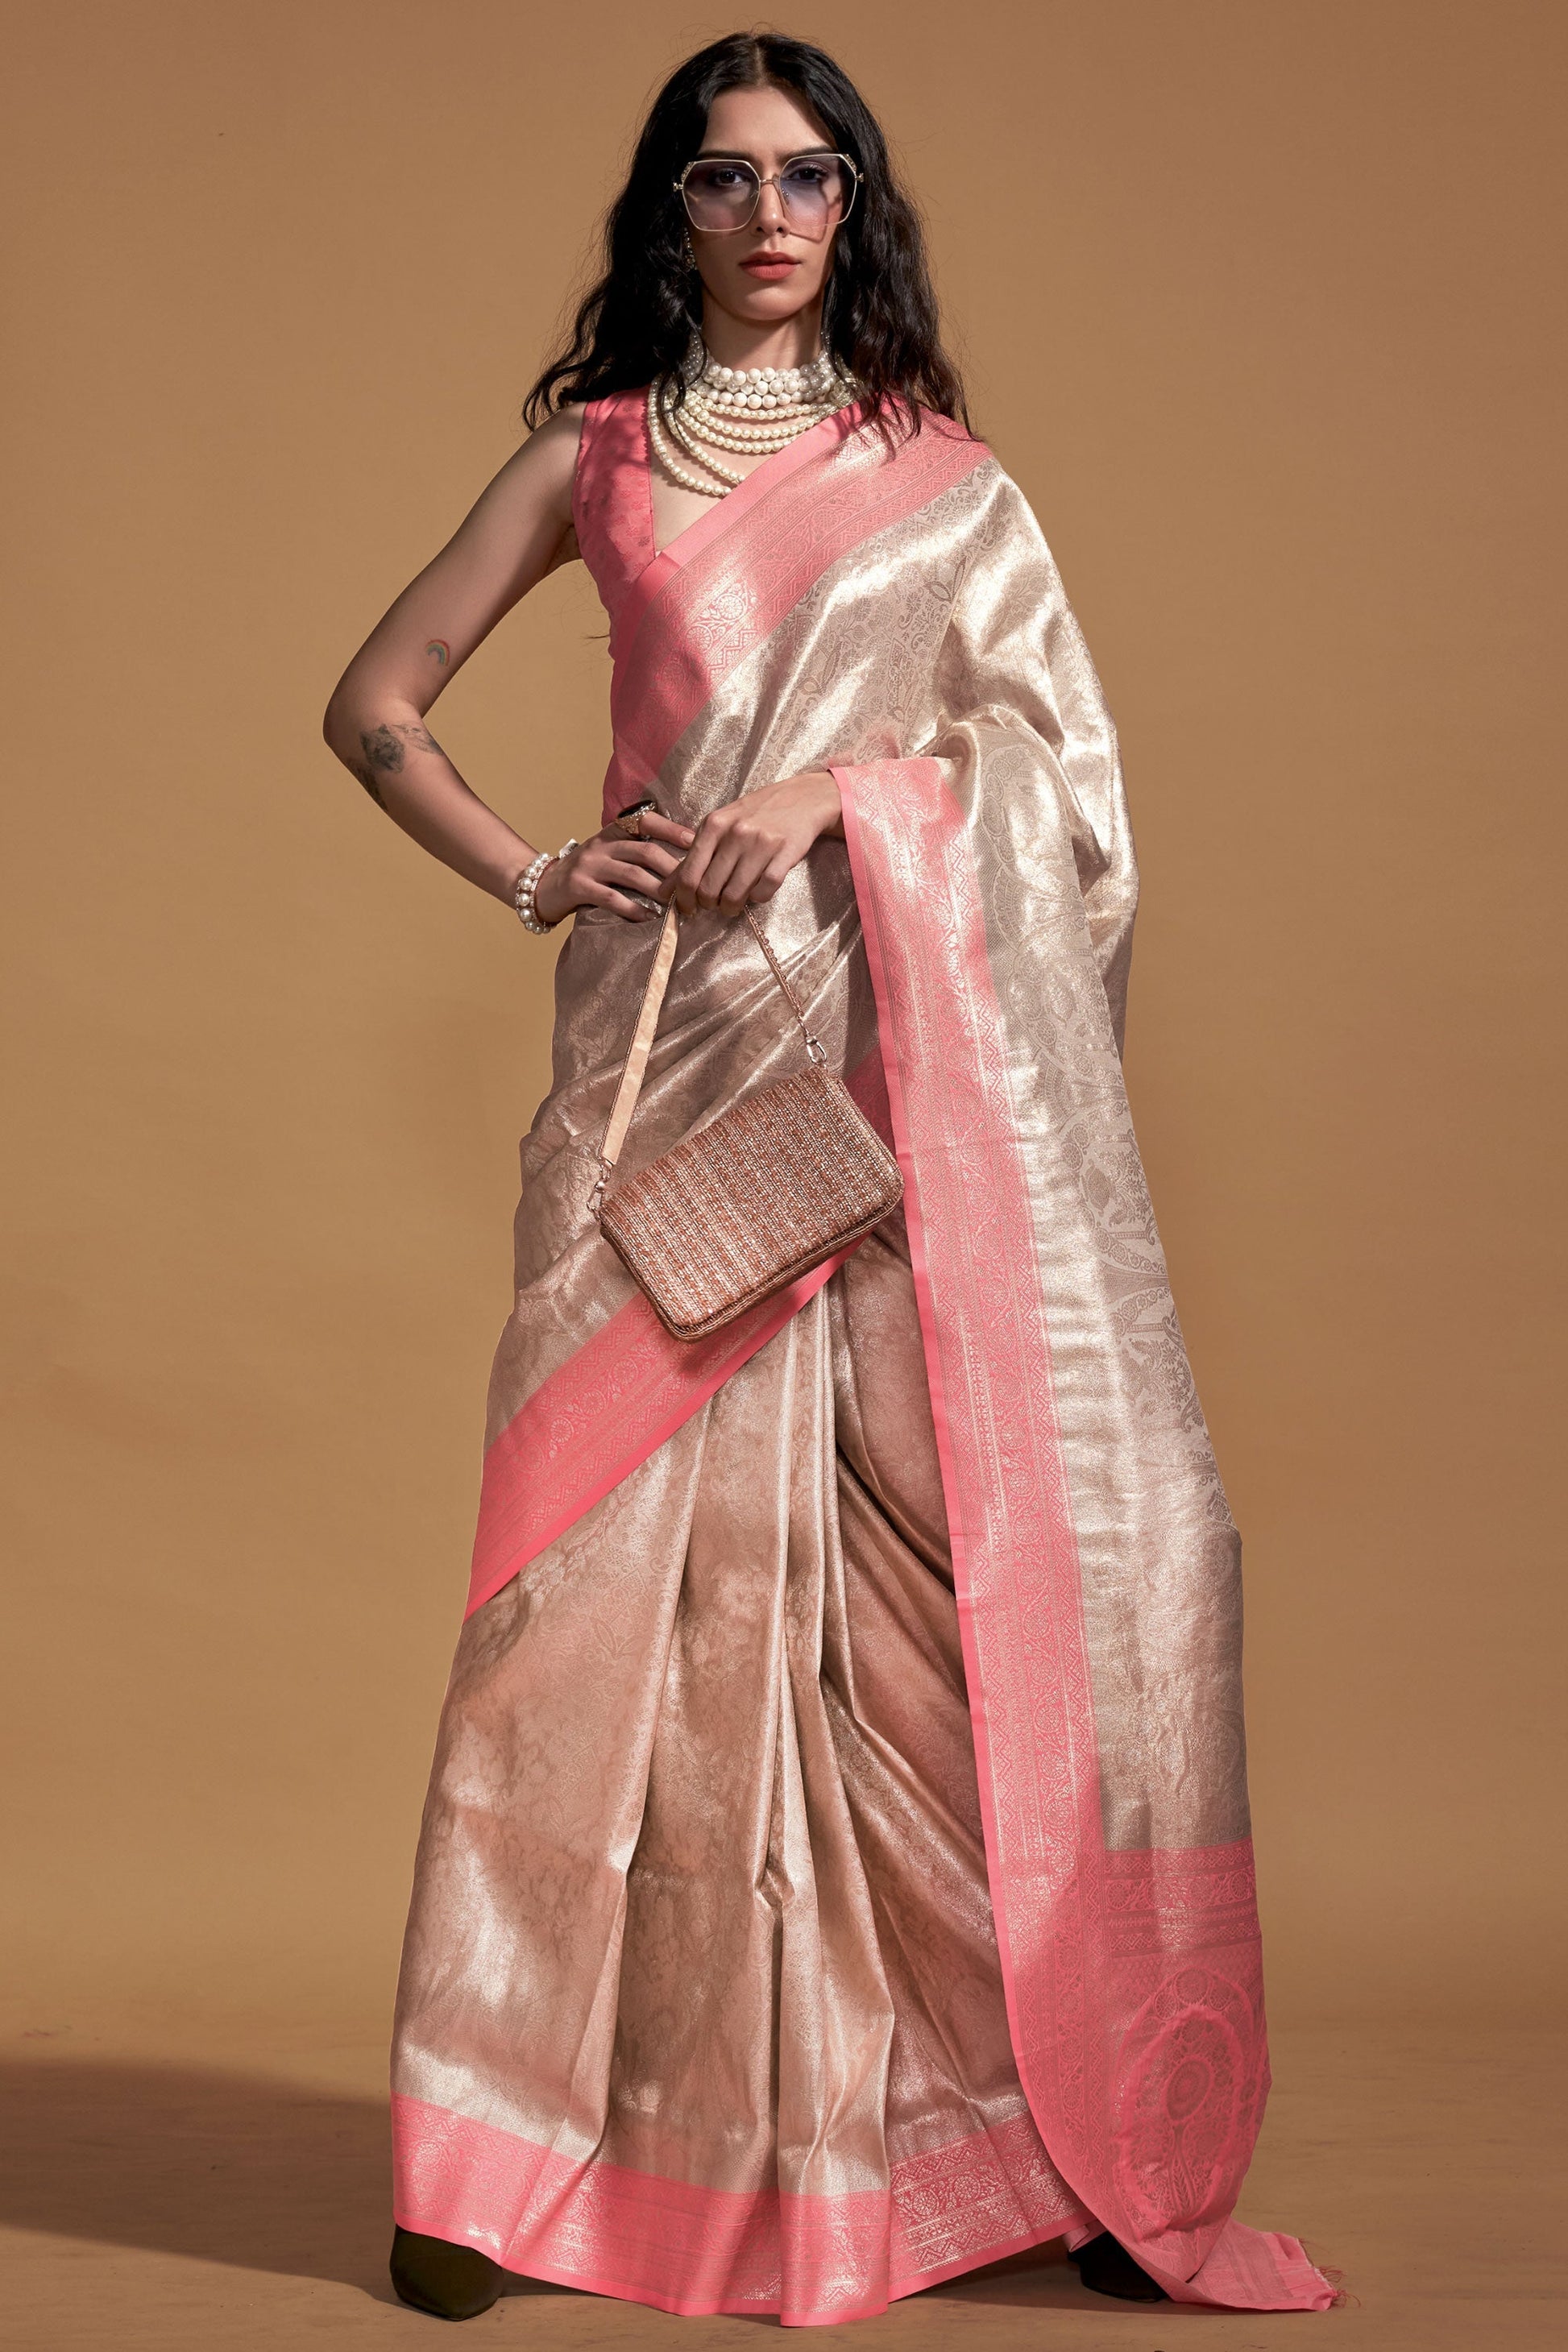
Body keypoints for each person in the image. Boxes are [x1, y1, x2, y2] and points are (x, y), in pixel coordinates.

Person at [324, 30, 1332, 2329]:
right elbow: (375, 705)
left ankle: (1005, 2133)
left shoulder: (944, 484)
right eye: (723, 177)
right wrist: (539, 870)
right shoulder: (589, 454)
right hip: (658, 1070)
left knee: (912, 1614)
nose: (768, 214)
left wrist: (842, 797)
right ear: (667, 211)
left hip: (883, 1087)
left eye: (808, 177)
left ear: (854, 207)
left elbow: (1064, 800)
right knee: (576, 1608)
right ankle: (490, 2155)